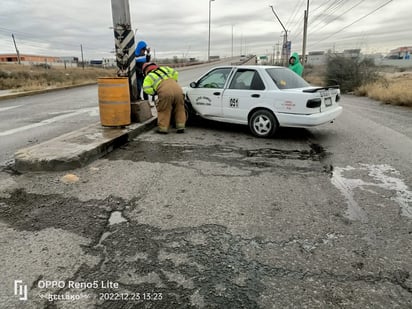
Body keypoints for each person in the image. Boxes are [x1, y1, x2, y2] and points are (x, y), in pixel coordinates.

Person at [142, 62, 186, 134]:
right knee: (180, 108)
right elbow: (175, 73)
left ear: (145, 70)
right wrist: (173, 80)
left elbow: (146, 89)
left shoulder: (149, 76)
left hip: (165, 92)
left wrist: (155, 92)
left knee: (164, 109)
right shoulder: (165, 68)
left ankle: (163, 128)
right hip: (178, 90)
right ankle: (181, 126)